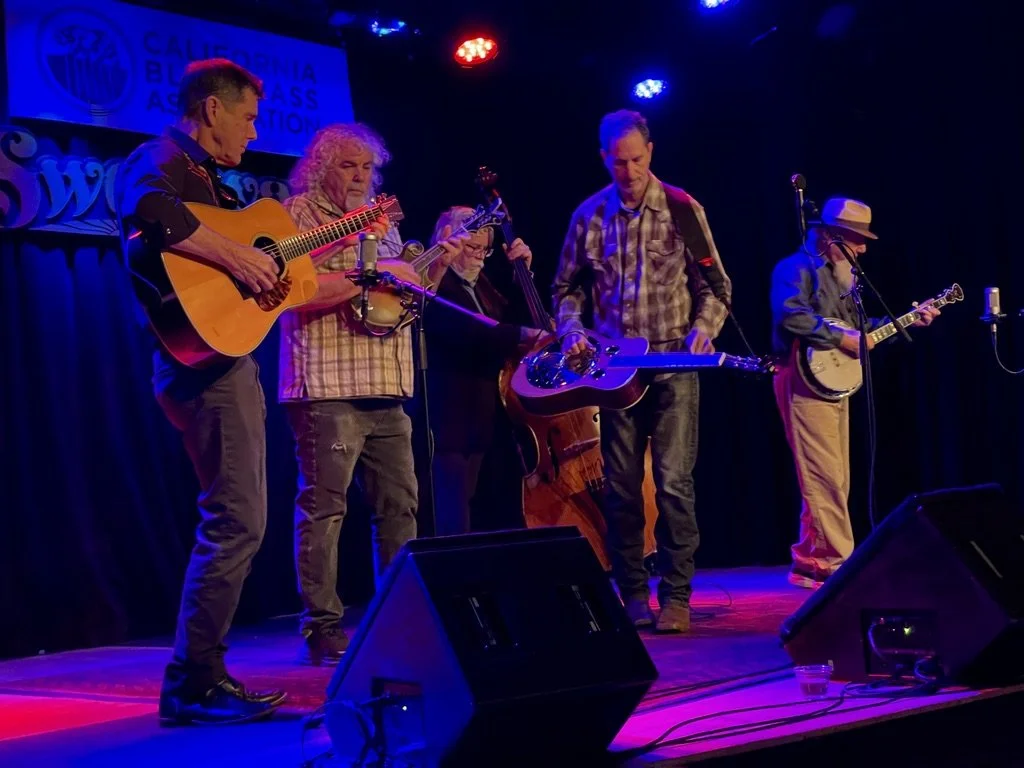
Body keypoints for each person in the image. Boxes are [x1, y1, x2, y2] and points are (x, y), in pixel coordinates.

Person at [115, 58, 288, 725]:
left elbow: (223, 274)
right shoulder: (160, 158)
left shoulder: (213, 182)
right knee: (236, 520)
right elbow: (148, 210)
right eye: (247, 117)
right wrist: (238, 257)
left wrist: (258, 280)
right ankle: (193, 681)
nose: (252, 132)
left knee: (239, 518)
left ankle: (200, 676)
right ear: (212, 109)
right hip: (202, 371)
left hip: (219, 359)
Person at [279, 124, 468, 665]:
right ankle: (322, 626)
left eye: (367, 167)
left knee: (401, 507)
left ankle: (395, 618)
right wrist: (371, 272)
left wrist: (436, 269)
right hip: (328, 385)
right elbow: (292, 292)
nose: (360, 176)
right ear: (320, 168)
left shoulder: (381, 224)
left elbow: (399, 297)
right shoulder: (299, 216)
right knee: (325, 509)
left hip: (387, 385)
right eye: (347, 166)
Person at [552, 109, 732, 633]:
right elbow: (565, 289)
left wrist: (705, 327)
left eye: (636, 159)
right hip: (615, 374)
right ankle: (632, 590)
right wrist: (575, 333)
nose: (628, 171)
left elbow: (717, 287)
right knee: (623, 487)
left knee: (674, 483)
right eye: (618, 162)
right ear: (604, 158)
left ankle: (676, 595)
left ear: (650, 152)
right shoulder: (588, 215)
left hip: (675, 362)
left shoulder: (682, 209)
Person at [770, 197, 939, 589]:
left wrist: (910, 321)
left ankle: (811, 560)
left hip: (831, 380)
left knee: (832, 476)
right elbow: (791, 315)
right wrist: (841, 337)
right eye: (855, 240)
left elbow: (860, 335)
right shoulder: (796, 268)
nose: (862, 248)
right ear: (831, 235)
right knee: (824, 475)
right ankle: (840, 568)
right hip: (800, 377)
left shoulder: (844, 278)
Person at [423, 206, 544, 536]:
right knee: (453, 518)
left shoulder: (483, 286)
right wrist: (522, 335)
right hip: (450, 420)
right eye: (470, 247)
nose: (478, 256)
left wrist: (523, 277)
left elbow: (511, 322)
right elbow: (471, 332)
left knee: (483, 513)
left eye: (484, 249)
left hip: (487, 419)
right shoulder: (434, 285)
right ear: (446, 241)